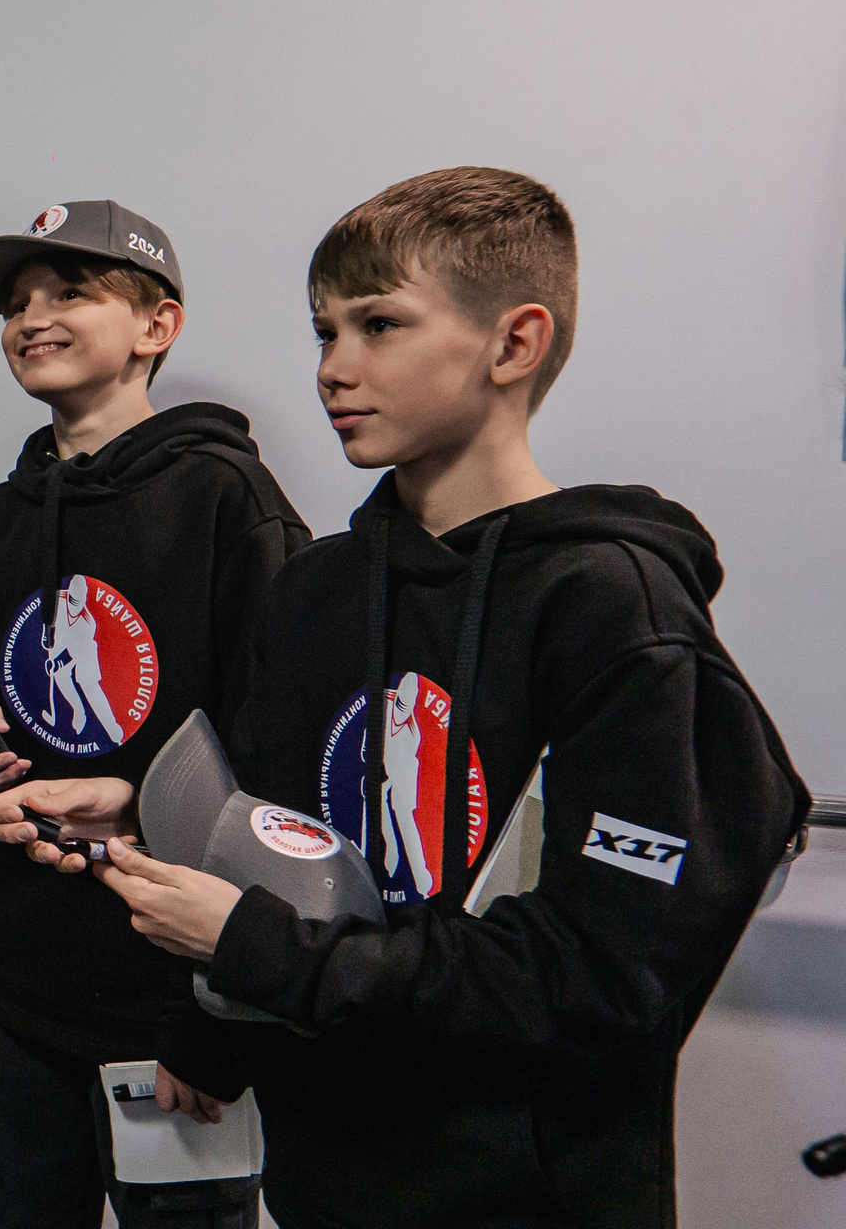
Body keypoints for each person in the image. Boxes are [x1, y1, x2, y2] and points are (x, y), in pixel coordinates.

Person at [88, 167, 809, 1227]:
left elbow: (599, 974)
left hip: (533, 1194)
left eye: (379, 325)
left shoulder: (611, 604)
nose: (334, 368)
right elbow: (272, 843)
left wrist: (251, 950)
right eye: (323, 331)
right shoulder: (313, 592)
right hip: (328, 1178)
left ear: (513, 345)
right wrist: (210, 1031)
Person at [0, 201, 305, 1229]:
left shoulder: (228, 502)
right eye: (16, 304)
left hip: (168, 995)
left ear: (157, 326)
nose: (31, 317)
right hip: (17, 984)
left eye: (69, 293)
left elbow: (278, 766)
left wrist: (218, 1031)